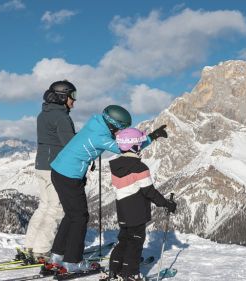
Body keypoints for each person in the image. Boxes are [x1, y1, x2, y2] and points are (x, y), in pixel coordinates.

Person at [48, 105, 168, 273]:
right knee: (80, 218)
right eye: (121, 128)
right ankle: (72, 262)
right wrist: (152, 137)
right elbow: (127, 147)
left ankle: (58, 255)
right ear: (113, 124)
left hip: (60, 171)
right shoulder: (100, 135)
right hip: (69, 176)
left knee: (72, 215)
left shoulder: (96, 124)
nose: (121, 131)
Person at [99, 128, 176, 281]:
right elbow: (149, 192)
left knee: (124, 241)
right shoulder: (140, 167)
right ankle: (130, 274)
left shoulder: (116, 167)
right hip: (137, 213)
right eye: (139, 145)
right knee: (135, 243)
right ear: (134, 147)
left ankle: (113, 270)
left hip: (123, 211)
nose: (141, 147)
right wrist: (167, 204)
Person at [24, 80, 77, 259]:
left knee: (44, 205)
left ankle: (30, 245)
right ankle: (42, 249)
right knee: (56, 207)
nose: (74, 101)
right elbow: (70, 145)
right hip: (55, 166)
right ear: (63, 96)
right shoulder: (61, 117)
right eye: (72, 96)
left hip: (41, 165)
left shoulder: (43, 114)